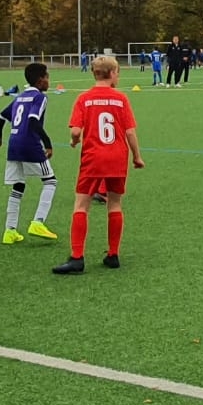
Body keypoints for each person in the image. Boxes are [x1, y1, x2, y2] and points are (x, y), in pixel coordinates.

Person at [54, 55, 145, 274]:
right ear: (112, 74)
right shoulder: (121, 99)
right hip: (117, 157)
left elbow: (76, 130)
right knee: (114, 204)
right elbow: (130, 132)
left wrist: (74, 141)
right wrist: (137, 156)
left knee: (81, 205)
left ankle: (77, 258)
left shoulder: (84, 99)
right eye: (118, 73)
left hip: (93, 158)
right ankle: (113, 255)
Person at [0, 61, 58, 244]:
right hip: (30, 144)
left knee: (18, 185)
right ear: (40, 80)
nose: (49, 81)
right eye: (47, 77)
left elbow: (1, 116)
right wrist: (48, 143)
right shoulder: (40, 97)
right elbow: (33, 120)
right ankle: (38, 222)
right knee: (50, 181)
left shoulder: (20, 97)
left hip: (13, 145)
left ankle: (9, 230)